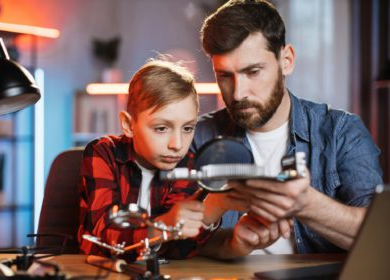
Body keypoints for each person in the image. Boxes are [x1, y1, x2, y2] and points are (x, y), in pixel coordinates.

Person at [193, 0, 383, 259]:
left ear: (287, 61)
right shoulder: (197, 136)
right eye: (224, 76)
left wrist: (305, 204)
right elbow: (171, 241)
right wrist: (230, 244)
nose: (238, 93)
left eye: (253, 71)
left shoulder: (341, 132)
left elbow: (380, 239)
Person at [78, 59, 209, 260]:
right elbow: (105, 236)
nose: (177, 144)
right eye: (161, 128)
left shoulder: (187, 163)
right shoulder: (103, 153)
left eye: (187, 128)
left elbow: (180, 248)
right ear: (129, 125)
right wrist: (166, 225)